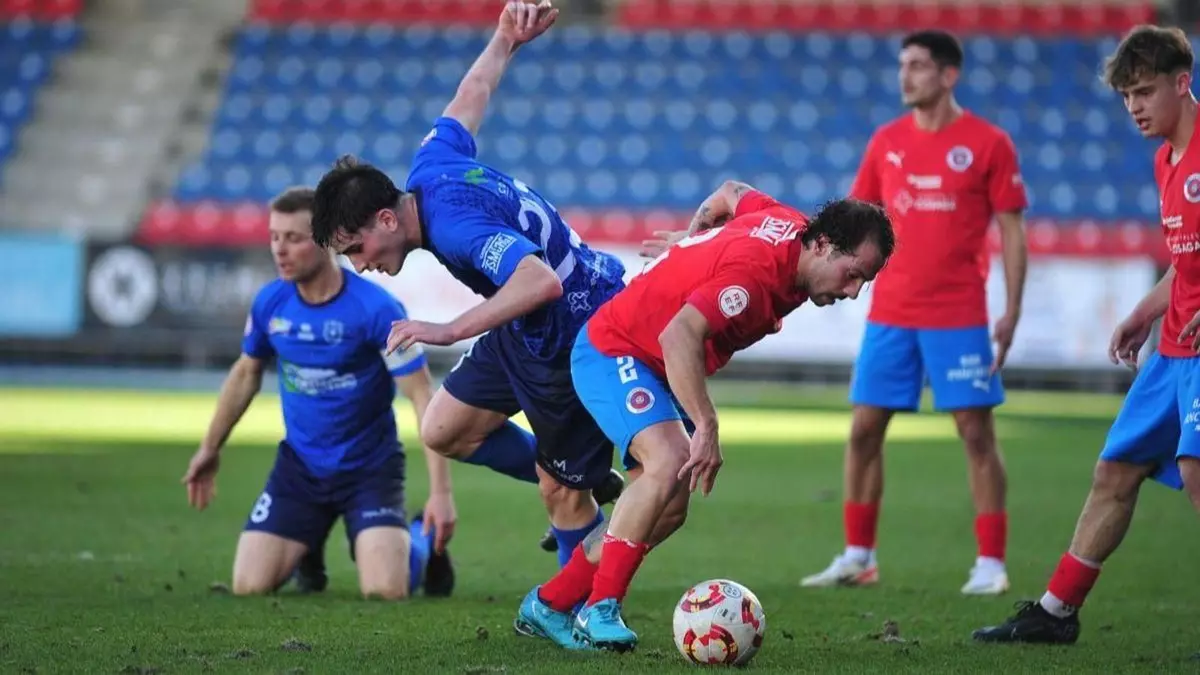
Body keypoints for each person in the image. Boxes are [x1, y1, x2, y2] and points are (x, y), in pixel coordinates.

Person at [308, 0, 625, 571]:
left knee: (559, 491)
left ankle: (580, 602)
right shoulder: (430, 166)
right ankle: (588, 480)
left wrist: (448, 330)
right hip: (527, 328)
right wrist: (504, 40)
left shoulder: (454, 227)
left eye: (356, 249)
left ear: (386, 219)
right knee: (443, 428)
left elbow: (539, 282)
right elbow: (470, 96)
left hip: (572, 330)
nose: (359, 265)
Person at [514, 182, 895, 652]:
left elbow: (732, 192)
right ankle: (601, 607)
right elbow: (679, 337)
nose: (853, 292)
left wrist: (695, 241)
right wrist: (707, 424)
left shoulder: (790, 224)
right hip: (616, 348)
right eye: (852, 274)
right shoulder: (754, 277)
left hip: (656, 364)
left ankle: (549, 604)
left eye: (863, 282)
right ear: (821, 244)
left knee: (669, 508)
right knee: (670, 461)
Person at [974, 24, 1200, 644]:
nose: (1134, 107)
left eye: (1145, 92)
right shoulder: (1165, 161)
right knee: (1115, 470)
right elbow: (1187, 261)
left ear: (1183, 82)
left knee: (1196, 470)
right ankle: (1056, 612)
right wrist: (1144, 312)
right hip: (1173, 348)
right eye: (1127, 96)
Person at [799, 29, 1029, 596]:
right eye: (903, 64)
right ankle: (858, 557)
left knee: (976, 433)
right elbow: (854, 220)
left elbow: (1012, 230)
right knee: (864, 431)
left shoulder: (989, 143)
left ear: (949, 75)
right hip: (892, 313)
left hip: (959, 313)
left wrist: (1012, 309)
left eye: (919, 65)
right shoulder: (887, 141)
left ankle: (991, 564)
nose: (906, 75)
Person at [181, 187, 455, 599]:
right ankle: (306, 548)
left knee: (385, 591)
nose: (280, 249)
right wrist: (210, 448)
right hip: (301, 469)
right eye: (274, 237)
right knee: (249, 586)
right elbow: (245, 374)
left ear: (327, 240)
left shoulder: (378, 309)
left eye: (294, 238)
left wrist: (441, 493)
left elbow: (421, 396)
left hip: (369, 469)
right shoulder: (270, 302)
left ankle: (422, 540)